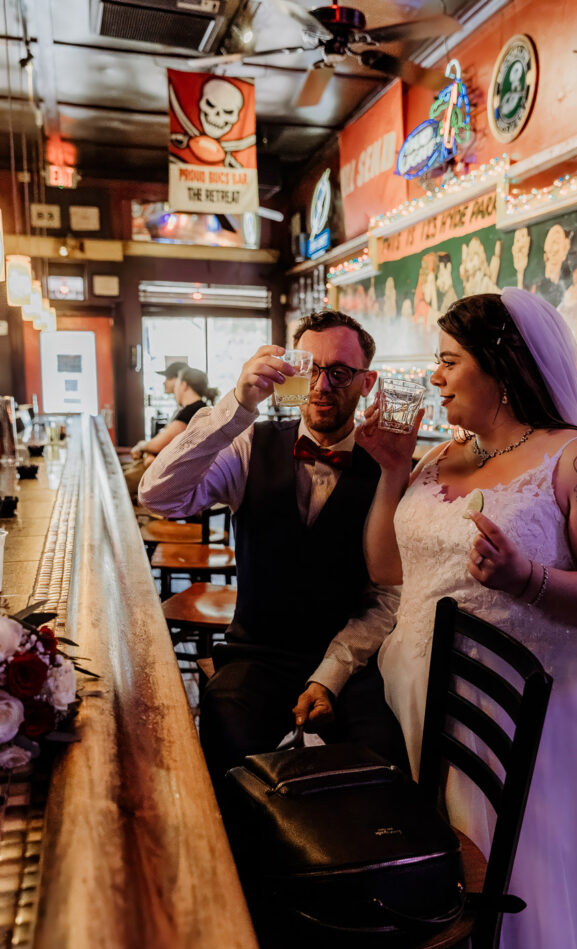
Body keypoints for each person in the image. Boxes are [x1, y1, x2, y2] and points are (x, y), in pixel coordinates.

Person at [356, 289, 577, 949]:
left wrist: (529, 580)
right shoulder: (442, 453)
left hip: (521, 714)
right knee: (437, 878)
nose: (435, 377)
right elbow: (387, 569)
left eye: (448, 360)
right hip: (414, 697)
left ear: (500, 366)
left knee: (521, 882)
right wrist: (390, 472)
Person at [139, 309, 408, 799]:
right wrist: (238, 405)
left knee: (383, 765)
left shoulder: (390, 472)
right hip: (255, 655)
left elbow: (385, 598)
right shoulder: (248, 444)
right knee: (230, 756)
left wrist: (329, 677)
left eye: (341, 372)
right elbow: (157, 495)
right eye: (312, 368)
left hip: (348, 660)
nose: (322, 385)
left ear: (366, 382)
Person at [126, 366, 218, 499]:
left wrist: (142, 446)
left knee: (118, 487)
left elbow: (158, 445)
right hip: (173, 472)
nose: (175, 388)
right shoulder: (195, 409)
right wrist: (148, 452)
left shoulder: (193, 411)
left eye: (177, 383)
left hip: (175, 477)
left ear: (184, 385)